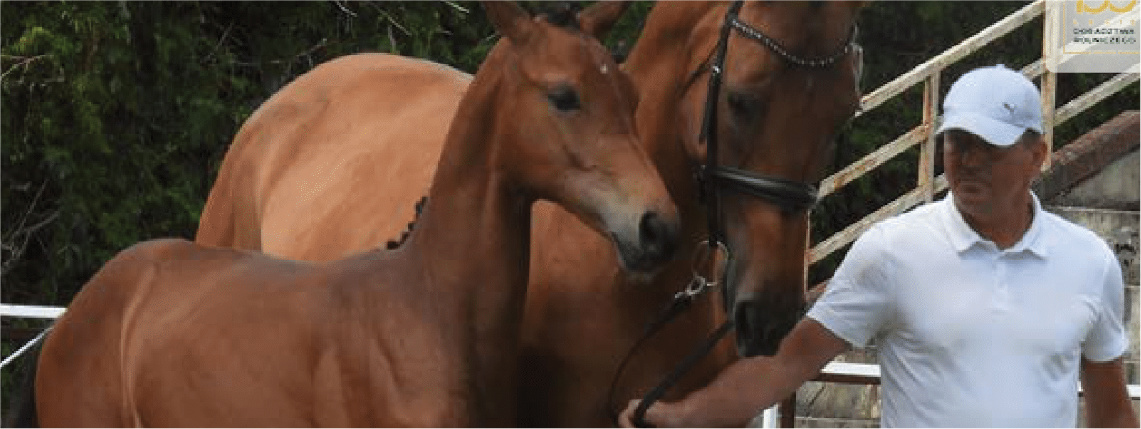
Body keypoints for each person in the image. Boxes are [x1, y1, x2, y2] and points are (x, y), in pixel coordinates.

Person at [619, 65, 1139, 427]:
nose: (967, 160)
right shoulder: (893, 252)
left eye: (990, 146)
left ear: (1037, 155)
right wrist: (684, 416)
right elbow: (784, 365)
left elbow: (1112, 412)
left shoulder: (1090, 262)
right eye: (956, 142)